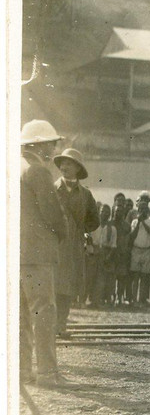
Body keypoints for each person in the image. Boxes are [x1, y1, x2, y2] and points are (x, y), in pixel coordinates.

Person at [20, 120, 68, 387]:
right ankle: (49, 373)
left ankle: (22, 371)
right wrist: (62, 235)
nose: (53, 148)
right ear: (39, 144)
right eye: (51, 143)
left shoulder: (13, 167)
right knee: (44, 311)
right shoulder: (38, 171)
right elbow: (53, 214)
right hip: (38, 253)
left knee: (21, 314)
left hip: (16, 252)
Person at [52, 148, 100, 333]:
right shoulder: (52, 189)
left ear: (78, 168)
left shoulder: (85, 194)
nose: (64, 166)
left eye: (69, 163)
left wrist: (79, 230)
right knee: (53, 286)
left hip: (73, 248)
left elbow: (94, 220)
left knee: (67, 288)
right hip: (55, 245)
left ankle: (61, 325)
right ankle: (51, 326)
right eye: (62, 163)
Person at [130, 198, 150, 306]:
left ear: (147, 209)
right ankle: (134, 300)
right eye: (140, 209)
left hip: (147, 250)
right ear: (138, 209)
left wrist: (143, 223)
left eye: (144, 209)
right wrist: (138, 222)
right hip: (136, 249)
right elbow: (132, 236)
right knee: (135, 276)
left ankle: (142, 299)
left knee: (145, 277)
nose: (142, 211)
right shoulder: (135, 221)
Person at [91, 204, 118, 306]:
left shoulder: (112, 229)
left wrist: (108, 257)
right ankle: (90, 300)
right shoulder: (93, 225)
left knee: (102, 278)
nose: (104, 214)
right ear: (99, 212)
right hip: (94, 252)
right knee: (92, 276)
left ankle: (100, 300)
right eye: (102, 211)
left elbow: (113, 245)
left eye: (107, 212)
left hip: (105, 253)